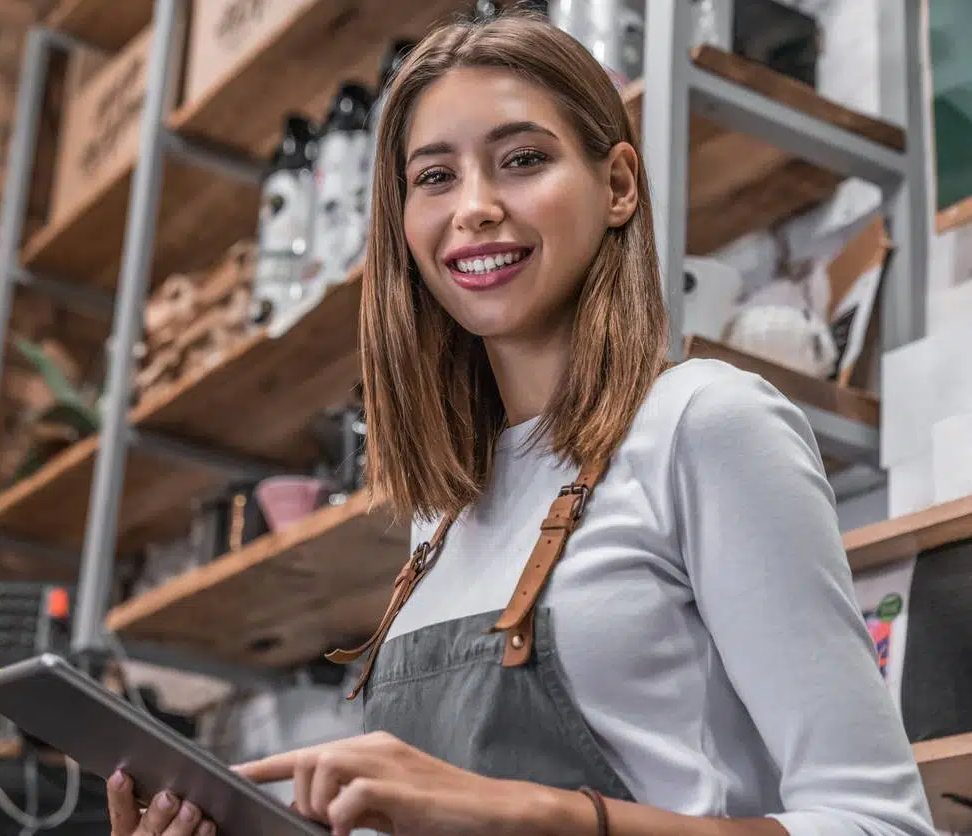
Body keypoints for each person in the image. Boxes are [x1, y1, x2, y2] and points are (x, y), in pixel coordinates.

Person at [107, 10, 936, 836]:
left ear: (617, 185)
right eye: (433, 178)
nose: (472, 208)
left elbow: (879, 825)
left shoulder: (707, 422)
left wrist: (535, 815)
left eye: (523, 160)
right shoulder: (444, 510)